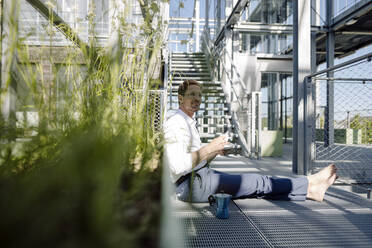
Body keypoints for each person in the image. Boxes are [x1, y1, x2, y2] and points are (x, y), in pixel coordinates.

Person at [163, 79, 337, 203]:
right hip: (191, 186)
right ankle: (308, 182)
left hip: (198, 177)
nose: (197, 99)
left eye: (199, 95)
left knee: (255, 187)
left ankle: (309, 191)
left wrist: (215, 151)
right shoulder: (176, 123)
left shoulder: (187, 121)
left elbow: (195, 161)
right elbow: (177, 166)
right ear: (180, 97)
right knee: (257, 182)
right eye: (192, 94)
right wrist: (209, 148)